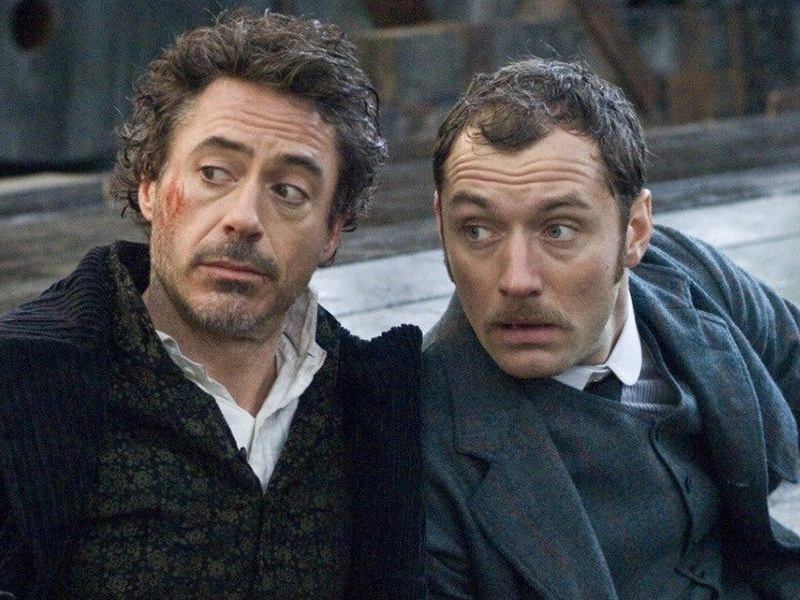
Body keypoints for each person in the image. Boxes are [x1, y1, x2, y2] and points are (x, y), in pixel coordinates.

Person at [0, 10, 425, 599]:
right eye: (214, 172)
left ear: (333, 230)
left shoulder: (374, 405)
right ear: (150, 186)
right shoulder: (24, 384)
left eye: (289, 191)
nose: (243, 218)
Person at [422, 57, 800, 599]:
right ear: (442, 228)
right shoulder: (425, 441)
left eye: (558, 230)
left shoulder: (686, 277)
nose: (516, 280)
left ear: (635, 231)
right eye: (477, 230)